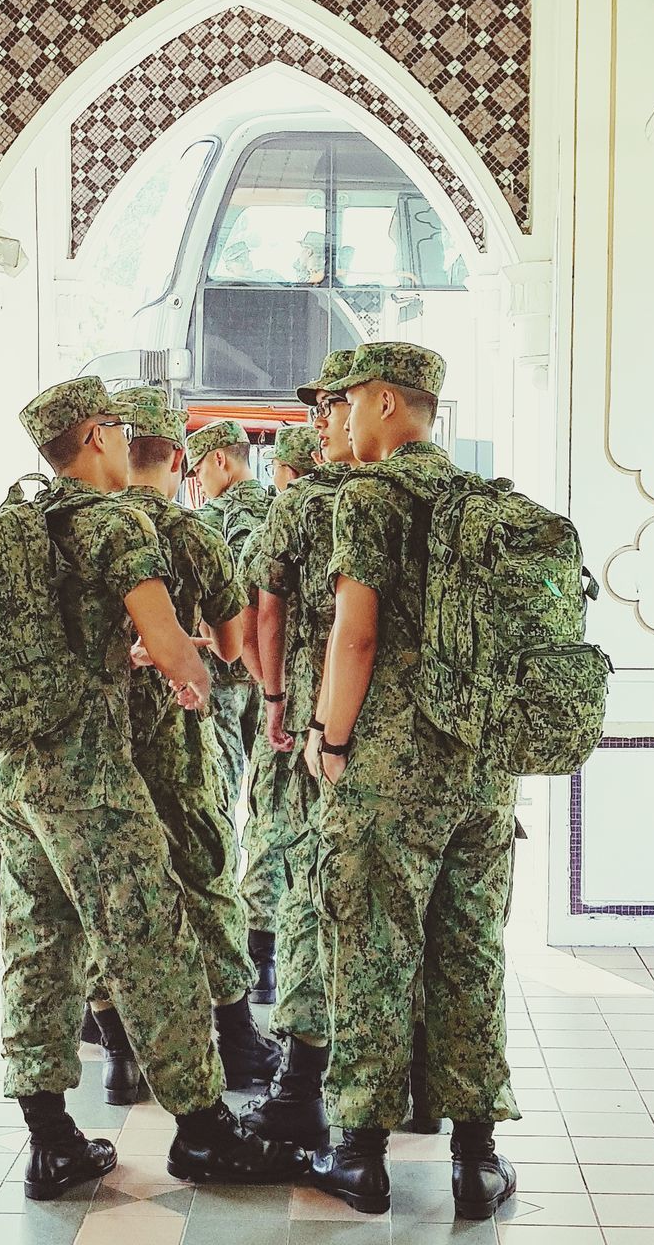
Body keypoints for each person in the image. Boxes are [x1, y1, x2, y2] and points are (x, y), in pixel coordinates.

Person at [0, 377, 306, 1200]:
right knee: (155, 943)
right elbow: (177, 643)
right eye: (117, 428)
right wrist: (186, 669)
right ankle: (203, 1132)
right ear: (97, 435)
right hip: (92, 779)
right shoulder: (119, 523)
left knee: (38, 946)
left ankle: (51, 1138)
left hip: (16, 776)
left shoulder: (20, 520)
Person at [302, 343, 519, 1220]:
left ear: (390, 402)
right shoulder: (483, 502)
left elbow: (355, 635)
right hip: (481, 769)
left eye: (350, 403)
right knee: (470, 954)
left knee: (373, 951)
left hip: (389, 774)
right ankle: (476, 1162)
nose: (343, 419)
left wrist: (327, 737)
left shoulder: (370, 498)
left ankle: (359, 1155)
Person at [85, 388, 278, 1106]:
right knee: (202, 874)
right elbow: (231, 647)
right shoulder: (194, 535)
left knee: (102, 889)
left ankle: (118, 1052)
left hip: (95, 747)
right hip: (177, 736)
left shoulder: (76, 528)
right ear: (177, 456)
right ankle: (233, 1037)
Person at [237, 357, 357, 1149]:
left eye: (329, 408)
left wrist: (278, 701)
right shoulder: (445, 502)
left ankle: (301, 1085)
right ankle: (412, 1088)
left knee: (313, 890)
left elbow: (261, 621)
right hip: (415, 750)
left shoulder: (304, 508)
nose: (321, 422)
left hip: (323, 736)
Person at [188, 420, 272, 835]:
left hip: (221, 675)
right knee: (270, 796)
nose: (198, 481)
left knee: (219, 788)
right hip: (272, 673)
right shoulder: (282, 507)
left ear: (219, 459)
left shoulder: (205, 521)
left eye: (198, 468)